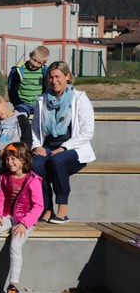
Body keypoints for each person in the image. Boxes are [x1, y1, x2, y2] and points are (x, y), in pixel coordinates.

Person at [31, 62, 95, 224]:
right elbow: (35, 129)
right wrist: (36, 146)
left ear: (67, 76)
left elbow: (87, 132)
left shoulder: (79, 98)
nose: (54, 81)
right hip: (48, 146)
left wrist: (64, 147)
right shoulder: (43, 100)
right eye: (50, 77)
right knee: (35, 163)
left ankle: (62, 210)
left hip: (73, 148)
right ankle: (47, 208)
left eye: (57, 76)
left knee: (57, 160)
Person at [0, 142, 43, 293]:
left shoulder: (33, 180)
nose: (10, 162)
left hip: (24, 218)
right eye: (7, 159)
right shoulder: (5, 176)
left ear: (24, 160)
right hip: (7, 215)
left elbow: (38, 206)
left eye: (14, 159)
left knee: (15, 244)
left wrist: (25, 223)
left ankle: (13, 285)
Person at [0, 94, 32, 173]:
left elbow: (27, 140)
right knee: (0, 166)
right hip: (2, 157)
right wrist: (0, 153)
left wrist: (18, 153)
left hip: (19, 155)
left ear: (3, 102)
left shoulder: (21, 119)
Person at [8, 46, 49, 116]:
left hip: (39, 104)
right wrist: (16, 102)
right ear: (30, 55)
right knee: (20, 117)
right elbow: (11, 87)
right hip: (23, 104)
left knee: (47, 116)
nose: (35, 64)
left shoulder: (45, 71)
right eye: (34, 60)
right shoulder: (18, 70)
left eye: (39, 63)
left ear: (44, 63)